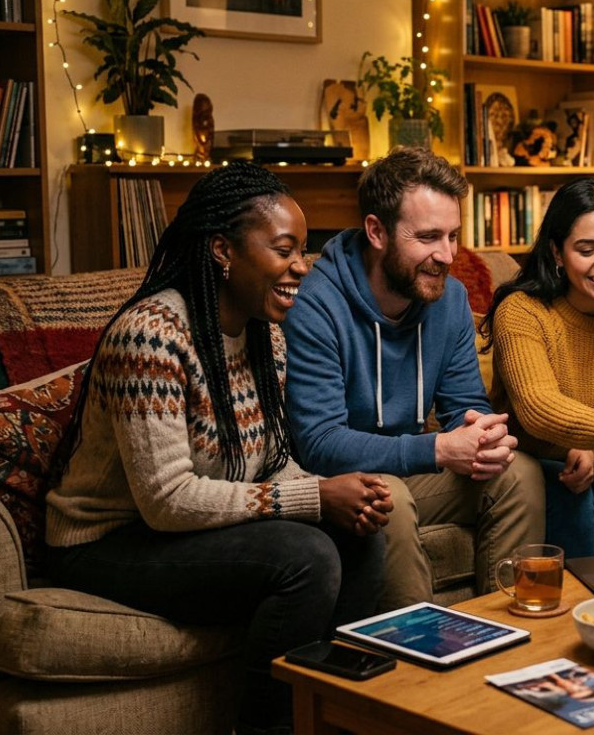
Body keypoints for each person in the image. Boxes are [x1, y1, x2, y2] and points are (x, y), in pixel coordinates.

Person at [46, 162, 391, 735]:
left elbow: (271, 459)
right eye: (285, 250)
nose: (301, 268)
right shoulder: (151, 337)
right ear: (222, 251)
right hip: (106, 542)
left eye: (304, 251)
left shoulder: (264, 333)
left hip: (179, 530)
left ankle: (338, 717)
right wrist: (314, 498)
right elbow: (165, 500)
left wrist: (341, 497)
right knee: (306, 556)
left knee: (358, 534)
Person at [282, 147, 544, 610]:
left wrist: (485, 439)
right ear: (377, 231)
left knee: (519, 474)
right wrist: (438, 448)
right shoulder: (316, 303)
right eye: (427, 237)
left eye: (453, 235)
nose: (446, 255)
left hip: (410, 467)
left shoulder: (449, 299)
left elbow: (466, 406)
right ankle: (415, 664)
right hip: (337, 483)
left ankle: (505, 638)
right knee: (390, 499)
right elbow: (318, 442)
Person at [483, 177, 594, 558]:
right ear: (558, 254)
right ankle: (577, 610)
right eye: (586, 249)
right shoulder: (521, 311)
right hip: (530, 459)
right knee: (572, 497)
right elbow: (536, 405)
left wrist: (593, 455)